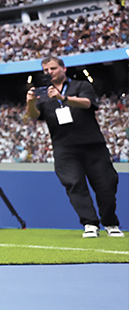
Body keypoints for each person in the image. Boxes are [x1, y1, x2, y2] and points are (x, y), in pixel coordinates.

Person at [25, 56, 121, 238]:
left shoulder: (81, 86)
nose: (49, 73)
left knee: (106, 184)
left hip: (92, 144)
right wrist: (30, 101)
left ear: (63, 68)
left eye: (53, 68)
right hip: (64, 148)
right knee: (74, 184)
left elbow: (88, 103)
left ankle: (110, 223)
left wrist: (64, 98)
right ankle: (90, 224)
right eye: (46, 70)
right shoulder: (43, 93)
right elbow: (34, 115)